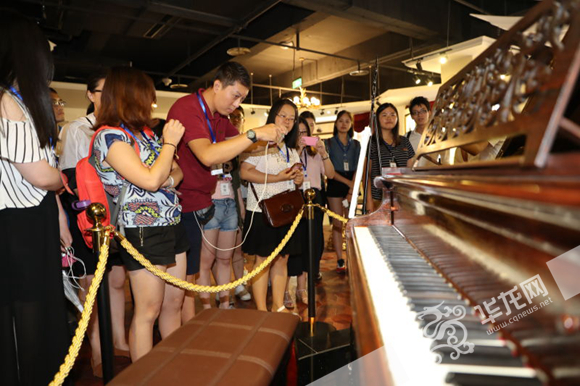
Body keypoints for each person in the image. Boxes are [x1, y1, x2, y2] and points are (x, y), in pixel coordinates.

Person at [167, 62, 286, 321]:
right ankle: (187, 335)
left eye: (242, 99)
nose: (236, 104)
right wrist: (255, 134)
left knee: (191, 277)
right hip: (183, 204)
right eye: (235, 96)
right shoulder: (187, 108)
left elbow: (241, 147)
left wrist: (268, 137)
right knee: (184, 285)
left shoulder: (219, 116)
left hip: (203, 202)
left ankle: (193, 330)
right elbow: (208, 155)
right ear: (217, 85)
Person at [92, 66, 187, 361]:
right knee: (148, 311)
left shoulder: (143, 134)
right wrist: (169, 144)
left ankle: (172, 370)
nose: (151, 104)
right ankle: (145, 377)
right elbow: (149, 179)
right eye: (148, 97)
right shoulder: (108, 137)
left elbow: (175, 172)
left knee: (174, 303)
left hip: (171, 221)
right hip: (142, 228)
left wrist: (165, 177)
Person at [0, 10, 71, 385]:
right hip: (20, 221)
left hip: (35, 213)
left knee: (38, 305)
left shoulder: (19, 101)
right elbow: (38, 173)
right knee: (28, 308)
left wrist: (57, 209)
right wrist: (63, 182)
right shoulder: (8, 102)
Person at [58, 71, 131, 377]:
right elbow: (75, 179)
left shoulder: (122, 128)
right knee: (91, 284)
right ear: (90, 95)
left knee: (115, 281)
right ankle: (97, 352)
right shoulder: (78, 129)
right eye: (103, 91)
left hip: (116, 210)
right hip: (86, 212)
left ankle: (120, 340)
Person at [241, 99, 303, 312]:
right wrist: (276, 177)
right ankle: (261, 309)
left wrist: (297, 179)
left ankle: (278, 306)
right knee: (263, 260)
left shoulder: (291, 149)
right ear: (273, 116)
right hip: (262, 211)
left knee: (282, 259)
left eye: (291, 118)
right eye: (282, 115)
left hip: (285, 211)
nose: (287, 121)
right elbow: (244, 172)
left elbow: (294, 178)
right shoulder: (260, 144)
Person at [284, 116, 335, 308]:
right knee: (294, 244)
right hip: (295, 198)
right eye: (299, 132)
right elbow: (288, 172)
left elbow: (329, 174)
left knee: (312, 243)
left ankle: (302, 288)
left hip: (315, 199)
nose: (303, 136)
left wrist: (323, 152)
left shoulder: (315, 153)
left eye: (306, 132)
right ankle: (287, 290)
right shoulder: (288, 152)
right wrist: (297, 149)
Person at [325, 110, 360, 272]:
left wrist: (352, 186)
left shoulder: (356, 144)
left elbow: (359, 167)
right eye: (341, 121)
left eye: (347, 121)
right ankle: (340, 259)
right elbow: (329, 169)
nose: (344, 124)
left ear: (351, 124)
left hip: (352, 181)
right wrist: (349, 183)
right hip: (335, 182)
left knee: (350, 223)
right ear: (336, 123)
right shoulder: (329, 143)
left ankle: (353, 257)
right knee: (338, 224)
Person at [367, 103, 415, 211]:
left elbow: (409, 173)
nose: (389, 118)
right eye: (384, 115)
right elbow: (367, 175)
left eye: (393, 114)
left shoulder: (405, 142)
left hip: (401, 198)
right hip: (378, 198)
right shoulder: (372, 142)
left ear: (397, 118)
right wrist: (369, 201)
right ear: (377, 119)